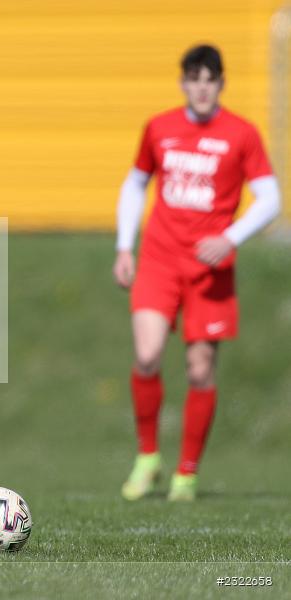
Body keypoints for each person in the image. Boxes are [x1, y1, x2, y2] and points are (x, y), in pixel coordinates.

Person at [113, 45, 282, 501]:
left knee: (199, 367)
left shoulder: (242, 134)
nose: (202, 86)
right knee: (147, 355)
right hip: (160, 259)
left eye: (210, 78)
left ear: (221, 83)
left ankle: (187, 473)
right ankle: (148, 457)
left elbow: (270, 198)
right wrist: (124, 246)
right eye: (194, 78)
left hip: (210, 268)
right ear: (183, 83)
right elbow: (135, 183)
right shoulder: (160, 127)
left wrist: (231, 237)